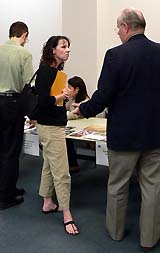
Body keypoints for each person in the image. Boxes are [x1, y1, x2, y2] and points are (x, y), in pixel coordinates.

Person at [74, 8, 160, 251]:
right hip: (154, 133)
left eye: (117, 29)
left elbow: (103, 96)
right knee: (153, 187)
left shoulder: (115, 55)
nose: (118, 33)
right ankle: (149, 239)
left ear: (125, 27)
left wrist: (84, 109)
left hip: (124, 135)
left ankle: (116, 233)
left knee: (118, 185)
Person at [34, 36, 79, 235]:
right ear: (53, 50)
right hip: (51, 127)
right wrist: (62, 96)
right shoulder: (46, 71)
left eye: (68, 46)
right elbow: (44, 101)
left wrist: (63, 98)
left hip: (51, 125)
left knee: (48, 165)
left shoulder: (55, 72)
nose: (67, 50)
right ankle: (66, 214)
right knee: (62, 172)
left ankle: (47, 202)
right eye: (63, 46)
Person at [0, 21, 33, 209]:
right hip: (11, 104)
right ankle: (6, 196)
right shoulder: (24, 54)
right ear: (24, 35)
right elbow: (27, 85)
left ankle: (7, 188)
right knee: (11, 151)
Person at [66, 76, 90, 173]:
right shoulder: (72, 100)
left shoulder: (85, 102)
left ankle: (72, 164)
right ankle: (72, 164)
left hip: (86, 135)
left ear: (77, 90)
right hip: (75, 130)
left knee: (65, 140)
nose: (67, 90)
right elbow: (65, 109)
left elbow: (71, 115)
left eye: (69, 88)